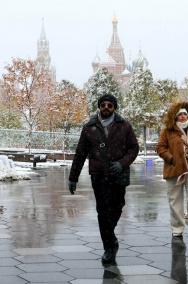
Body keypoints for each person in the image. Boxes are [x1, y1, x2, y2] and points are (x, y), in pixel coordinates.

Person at [68, 94, 139, 264]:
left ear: (115, 107)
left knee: (117, 208)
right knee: (103, 211)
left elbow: (134, 148)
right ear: (99, 107)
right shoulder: (89, 128)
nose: (106, 107)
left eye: (109, 105)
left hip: (118, 175)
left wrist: (122, 164)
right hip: (98, 175)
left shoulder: (125, 126)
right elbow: (80, 154)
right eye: (103, 105)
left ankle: (110, 236)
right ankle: (108, 246)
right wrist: (73, 177)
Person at [156, 101, 188, 240]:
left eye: (185, 114)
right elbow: (160, 147)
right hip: (174, 169)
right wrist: (171, 158)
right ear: (175, 116)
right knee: (175, 199)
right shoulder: (167, 130)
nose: (183, 116)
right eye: (180, 114)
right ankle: (177, 228)